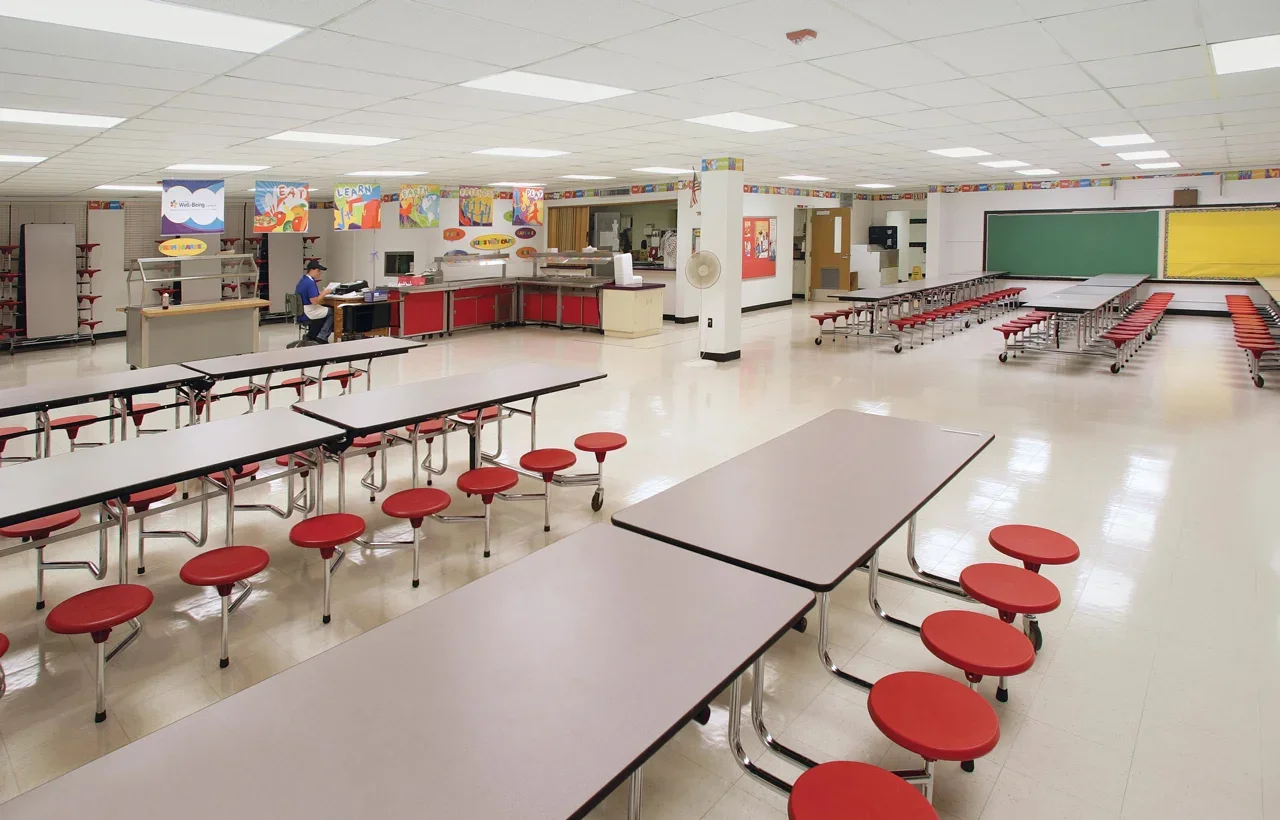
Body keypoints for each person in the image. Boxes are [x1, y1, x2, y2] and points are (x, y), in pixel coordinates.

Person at [296, 260, 335, 344]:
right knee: (332, 311)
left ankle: (311, 335)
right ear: (312, 270)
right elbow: (315, 301)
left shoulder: (303, 280)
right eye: (318, 270)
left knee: (325, 310)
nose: (319, 273)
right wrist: (325, 293)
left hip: (302, 310)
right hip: (309, 311)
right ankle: (322, 337)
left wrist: (320, 293)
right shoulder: (310, 283)